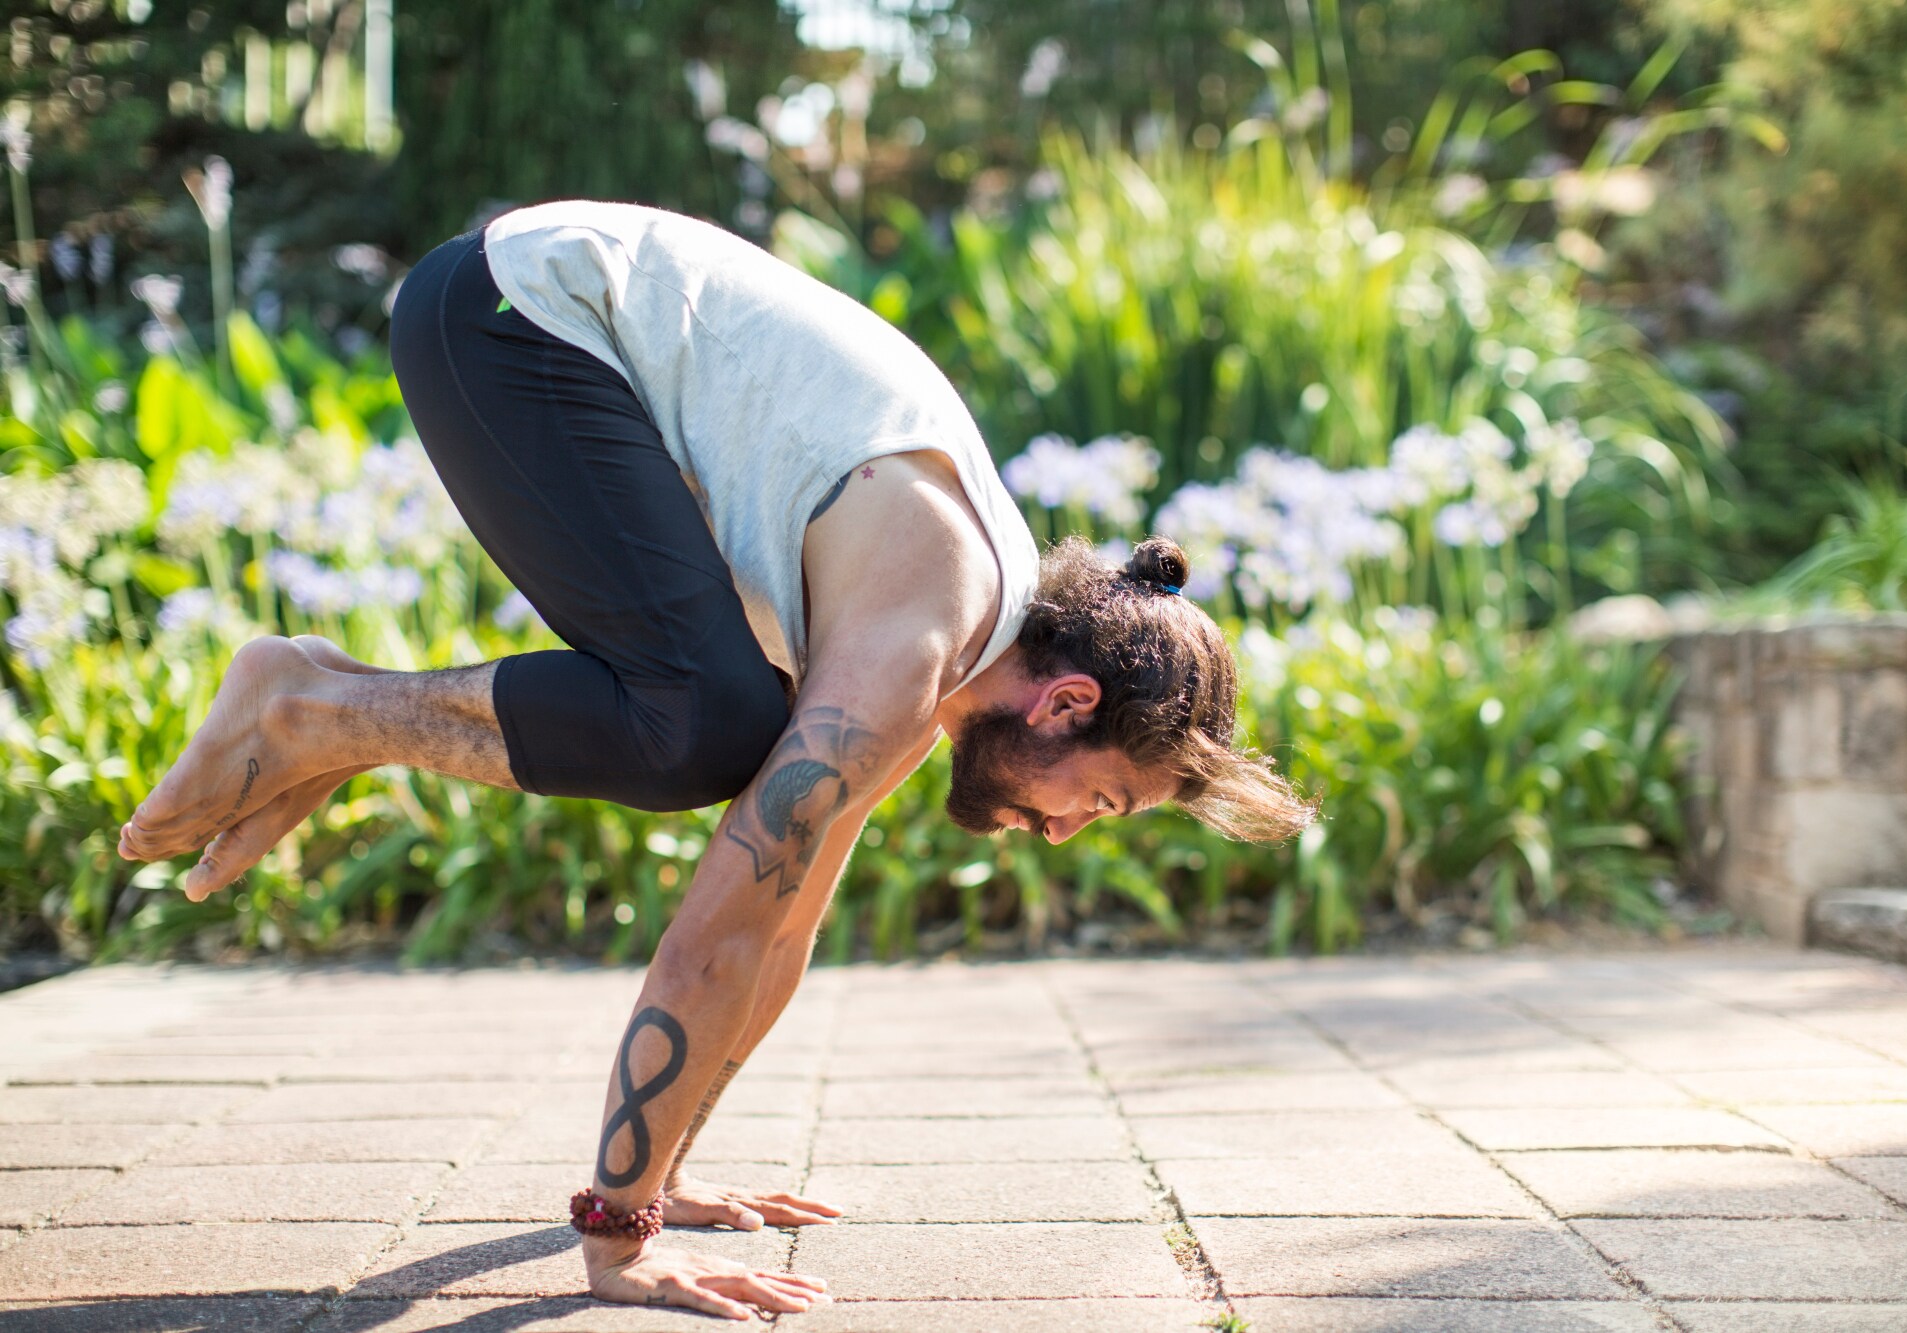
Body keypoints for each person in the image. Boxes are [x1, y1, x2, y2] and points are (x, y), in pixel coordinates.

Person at [115, 200, 1314, 1318]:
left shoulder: (931, 657)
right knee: (698, 727)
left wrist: (672, 1165)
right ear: (1064, 702)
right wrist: (620, 1235)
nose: (1060, 830)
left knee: (719, 722)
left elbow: (779, 934)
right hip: (508, 310)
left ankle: (324, 710)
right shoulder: (914, 641)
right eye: (1096, 798)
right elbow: (713, 939)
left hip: (543, 316)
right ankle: (312, 709)